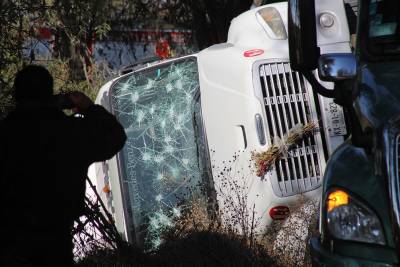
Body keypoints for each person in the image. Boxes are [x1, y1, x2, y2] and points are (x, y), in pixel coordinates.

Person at [0, 65, 127, 266]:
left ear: (17, 96)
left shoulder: (7, 134)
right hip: (55, 243)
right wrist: (88, 108)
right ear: (50, 96)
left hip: (11, 244)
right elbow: (114, 136)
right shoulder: (68, 134)